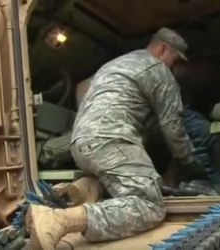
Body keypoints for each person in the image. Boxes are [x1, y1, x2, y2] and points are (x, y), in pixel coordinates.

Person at [26, 27, 206, 249]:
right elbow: (173, 127)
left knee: (109, 180)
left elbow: (82, 87)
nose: (175, 67)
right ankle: (59, 220)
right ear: (162, 49)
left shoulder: (117, 64)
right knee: (149, 205)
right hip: (112, 140)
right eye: (175, 60)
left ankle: (76, 193)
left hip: (81, 140)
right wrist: (192, 164)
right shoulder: (159, 71)